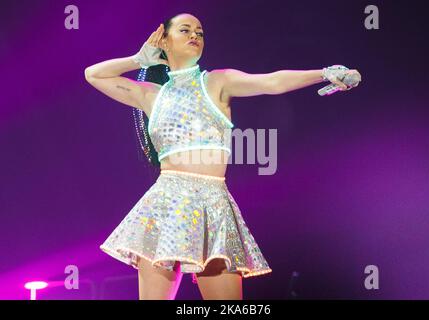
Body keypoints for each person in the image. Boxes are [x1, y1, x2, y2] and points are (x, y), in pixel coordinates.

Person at [84, 12, 361, 300]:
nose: (194, 35)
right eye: (185, 30)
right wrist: (138, 60)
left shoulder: (216, 82)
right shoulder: (151, 95)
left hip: (214, 204)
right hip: (165, 205)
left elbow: (271, 82)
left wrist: (324, 72)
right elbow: (93, 74)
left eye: (200, 32)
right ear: (163, 39)